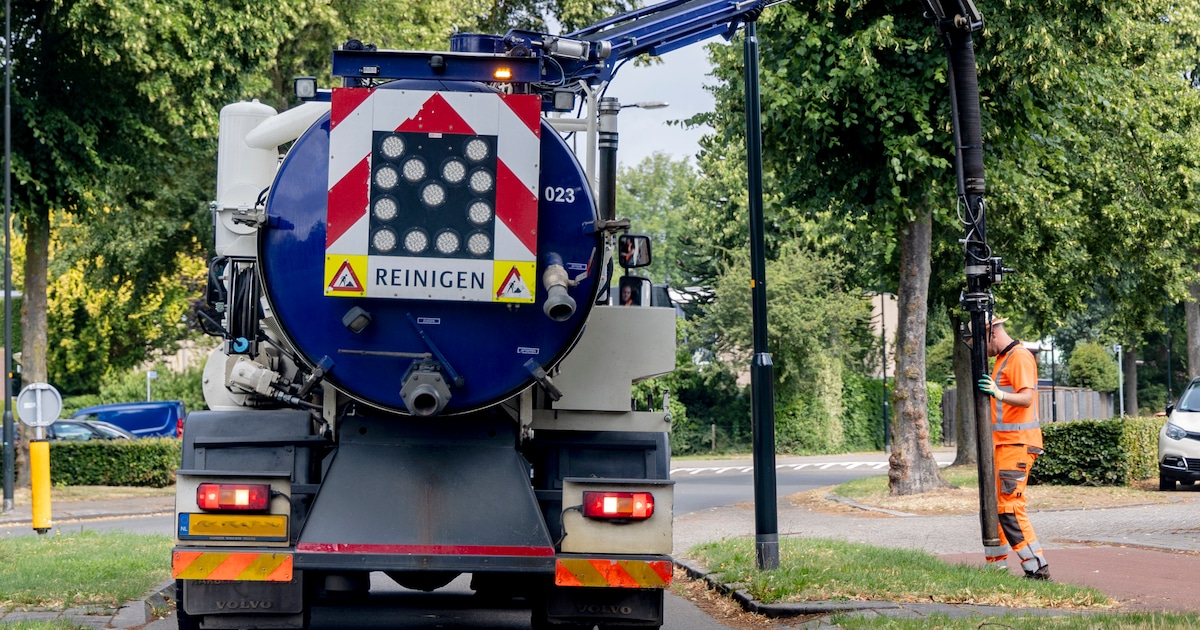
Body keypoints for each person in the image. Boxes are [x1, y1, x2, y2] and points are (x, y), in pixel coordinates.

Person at [973, 316, 1051, 581]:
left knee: (1009, 507)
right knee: (994, 507)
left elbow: (1027, 397)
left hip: (1016, 445)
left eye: (980, 341)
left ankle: (1037, 569)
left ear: (992, 333)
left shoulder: (1019, 357)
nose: (979, 349)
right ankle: (995, 570)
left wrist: (999, 393)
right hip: (1004, 445)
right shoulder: (1001, 359)